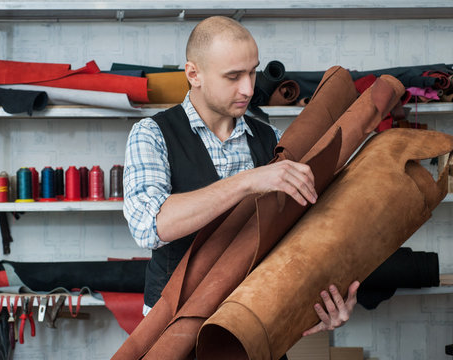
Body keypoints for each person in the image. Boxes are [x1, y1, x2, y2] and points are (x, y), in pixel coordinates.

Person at [123, 15, 359, 353]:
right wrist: (247, 181)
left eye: (252, 72)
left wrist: (323, 302)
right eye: (233, 76)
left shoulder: (271, 139)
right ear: (194, 74)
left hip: (256, 322)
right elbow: (149, 225)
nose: (248, 88)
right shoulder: (152, 134)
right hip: (172, 329)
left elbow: (301, 235)